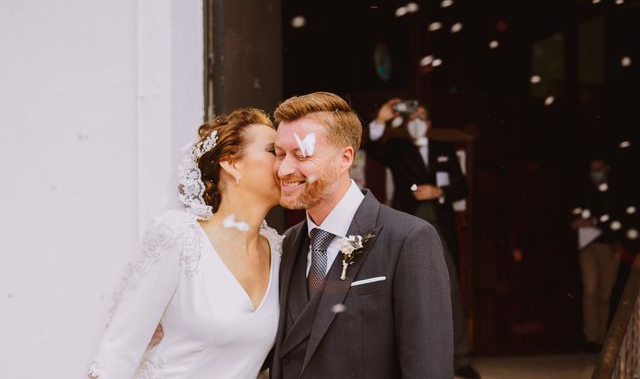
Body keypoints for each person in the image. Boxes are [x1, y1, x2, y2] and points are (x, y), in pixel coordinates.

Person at [87, 108, 283, 379]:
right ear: (231, 163)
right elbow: (117, 353)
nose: (287, 163)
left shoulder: (281, 251)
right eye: (275, 151)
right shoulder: (178, 237)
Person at [270, 92, 453, 379]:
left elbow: (428, 368)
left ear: (345, 158)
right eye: (279, 154)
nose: (283, 169)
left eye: (301, 154)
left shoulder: (410, 239)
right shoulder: (289, 242)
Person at [365, 98, 480, 379]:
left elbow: (461, 186)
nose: (416, 120)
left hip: (440, 227)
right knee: (403, 288)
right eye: (411, 116)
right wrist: (380, 120)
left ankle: (460, 358)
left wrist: (438, 193)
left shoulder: (444, 149)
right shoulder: (398, 149)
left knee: (450, 288)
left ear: (429, 122)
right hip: (408, 225)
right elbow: (371, 146)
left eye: (421, 115)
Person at [571, 156, 622, 354]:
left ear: (607, 169)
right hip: (588, 245)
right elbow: (574, 214)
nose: (595, 173)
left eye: (599, 169)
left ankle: (602, 338)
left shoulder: (615, 192)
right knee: (591, 289)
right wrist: (577, 222)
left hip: (609, 246)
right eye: (593, 169)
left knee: (605, 293)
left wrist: (597, 224)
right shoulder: (584, 191)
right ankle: (591, 338)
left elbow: (618, 219)